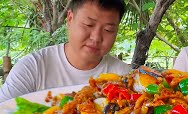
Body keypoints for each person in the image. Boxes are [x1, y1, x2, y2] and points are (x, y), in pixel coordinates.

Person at [0, 0, 130, 102]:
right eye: (88, 25)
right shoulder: (33, 67)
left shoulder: (124, 76)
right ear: (70, 19)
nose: (96, 37)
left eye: (108, 30)